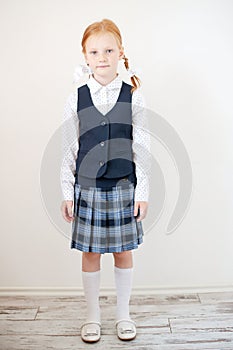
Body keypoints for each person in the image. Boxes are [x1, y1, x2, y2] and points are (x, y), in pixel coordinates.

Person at [60, 18, 150, 343]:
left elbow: (143, 147)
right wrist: (66, 192)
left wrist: (144, 191)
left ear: (120, 53)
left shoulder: (134, 97)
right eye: (95, 51)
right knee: (90, 254)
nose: (102, 57)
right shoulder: (77, 98)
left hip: (124, 187)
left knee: (124, 252)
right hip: (87, 189)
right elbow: (68, 149)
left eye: (109, 50)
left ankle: (123, 315)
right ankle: (92, 316)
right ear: (85, 56)